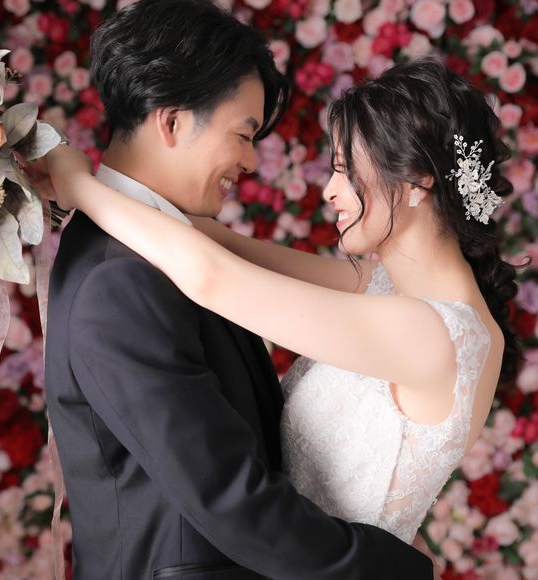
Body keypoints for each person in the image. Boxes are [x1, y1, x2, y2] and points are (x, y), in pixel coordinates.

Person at [38, 54, 523, 575]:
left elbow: (211, 276)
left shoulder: (430, 335)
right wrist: (85, 173)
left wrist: (77, 185)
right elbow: (214, 241)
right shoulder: (386, 291)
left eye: (346, 170)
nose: (330, 190)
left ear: (416, 181)